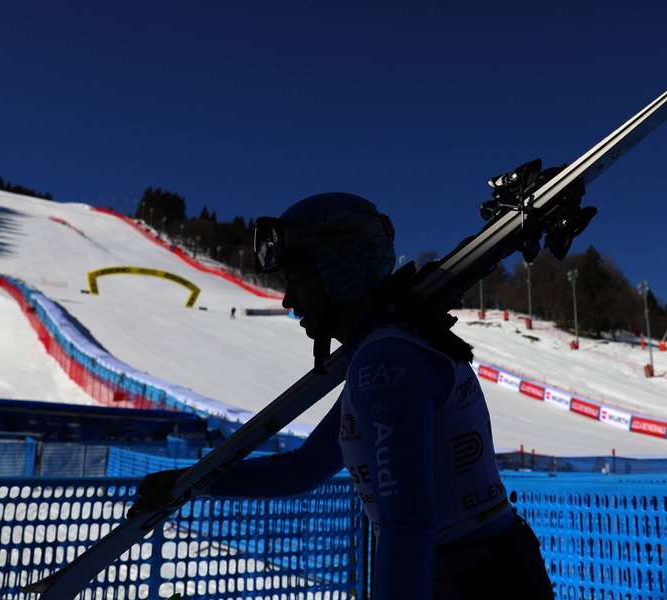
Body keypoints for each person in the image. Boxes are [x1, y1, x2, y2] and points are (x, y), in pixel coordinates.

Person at [129, 192, 553, 599]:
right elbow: (303, 469)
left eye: (298, 280)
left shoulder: (386, 364)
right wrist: (189, 485)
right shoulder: (387, 353)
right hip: (480, 567)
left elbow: (406, 526)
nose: (290, 300)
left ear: (338, 271)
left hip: (463, 578)